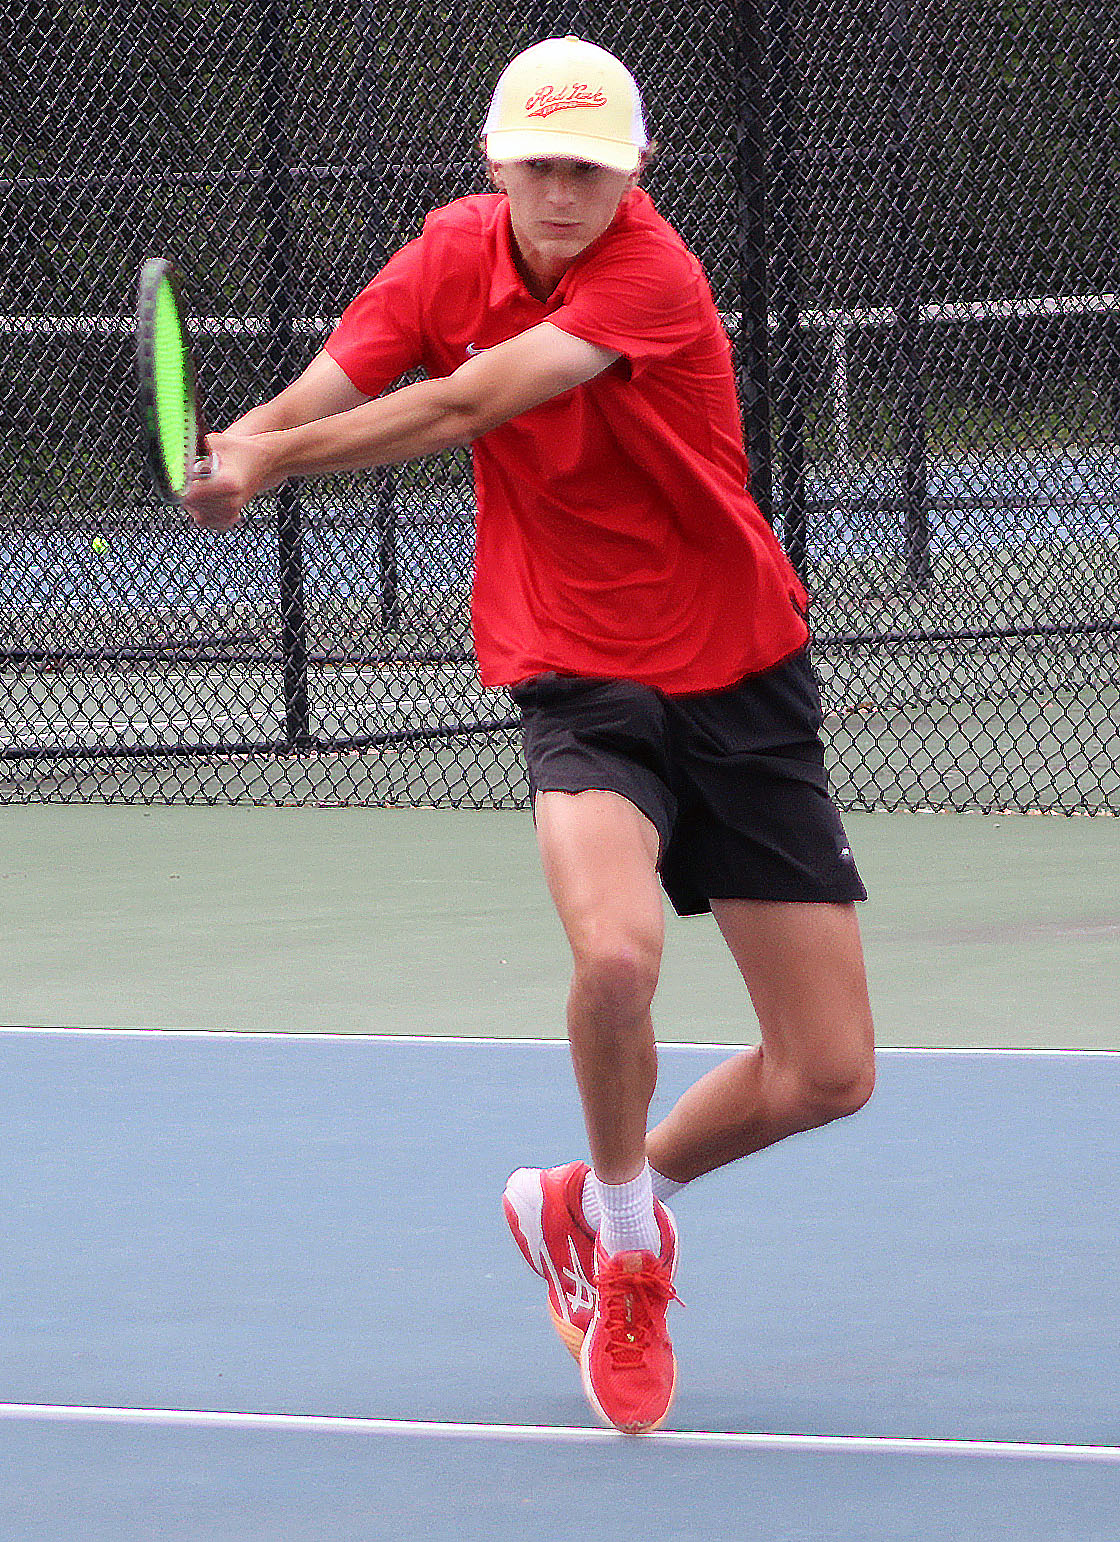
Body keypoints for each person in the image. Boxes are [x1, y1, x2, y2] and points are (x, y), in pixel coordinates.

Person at [183, 35, 876, 1434]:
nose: (564, 193)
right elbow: (346, 374)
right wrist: (246, 441)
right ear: (493, 165)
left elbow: (464, 402)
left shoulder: (652, 276)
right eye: (541, 167)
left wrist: (270, 461)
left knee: (828, 1072)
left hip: (739, 663)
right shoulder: (448, 252)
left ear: (635, 176)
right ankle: (625, 1255)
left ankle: (590, 1197)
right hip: (577, 662)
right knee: (616, 955)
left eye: (592, 171)